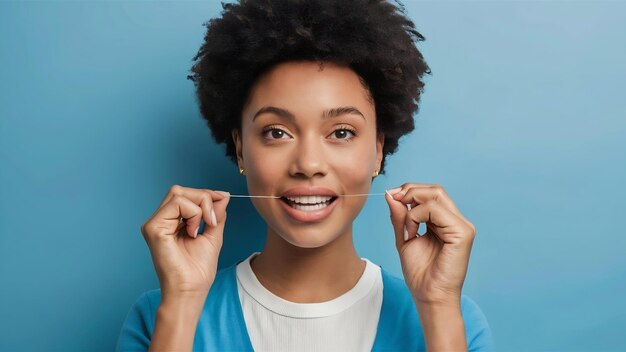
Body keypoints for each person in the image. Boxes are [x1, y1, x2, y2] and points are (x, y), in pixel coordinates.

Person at [116, 0, 494, 351]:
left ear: (377, 150)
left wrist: (438, 306)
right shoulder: (158, 317)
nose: (309, 163)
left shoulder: (453, 319)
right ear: (241, 147)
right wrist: (181, 304)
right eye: (276, 132)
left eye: (341, 132)